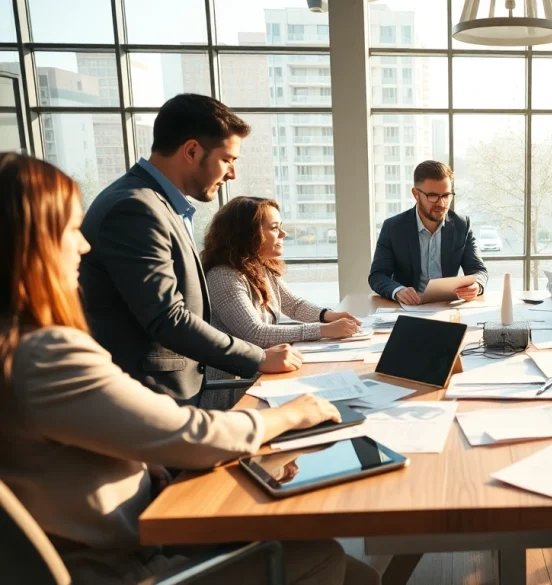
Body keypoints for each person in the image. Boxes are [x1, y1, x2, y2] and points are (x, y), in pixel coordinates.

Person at [0, 153, 380, 585]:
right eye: (72, 230)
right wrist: (294, 413)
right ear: (28, 243)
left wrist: (145, 465)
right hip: (127, 564)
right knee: (321, 557)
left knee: (360, 576)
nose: (85, 246)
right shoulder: (42, 354)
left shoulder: (17, 348)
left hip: (131, 529)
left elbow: (59, 452)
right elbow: (193, 435)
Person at [79, 94, 301, 405]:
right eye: (228, 159)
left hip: (170, 392)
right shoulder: (134, 208)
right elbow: (168, 318)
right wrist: (258, 357)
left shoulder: (161, 205)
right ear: (192, 150)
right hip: (150, 398)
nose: (232, 174)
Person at [202, 197, 362, 379]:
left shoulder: (260, 267)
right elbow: (255, 333)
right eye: (274, 228)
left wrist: (328, 315)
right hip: (236, 387)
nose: (283, 234)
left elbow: (293, 305)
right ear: (247, 234)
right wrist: (324, 330)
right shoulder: (223, 276)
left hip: (264, 373)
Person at [368, 160, 487, 305]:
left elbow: (478, 270)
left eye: (446, 195)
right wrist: (397, 291)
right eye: (432, 196)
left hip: (448, 308)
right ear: (416, 194)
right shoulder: (393, 227)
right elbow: (377, 275)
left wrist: (477, 286)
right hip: (408, 308)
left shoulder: (462, 225)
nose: (441, 204)